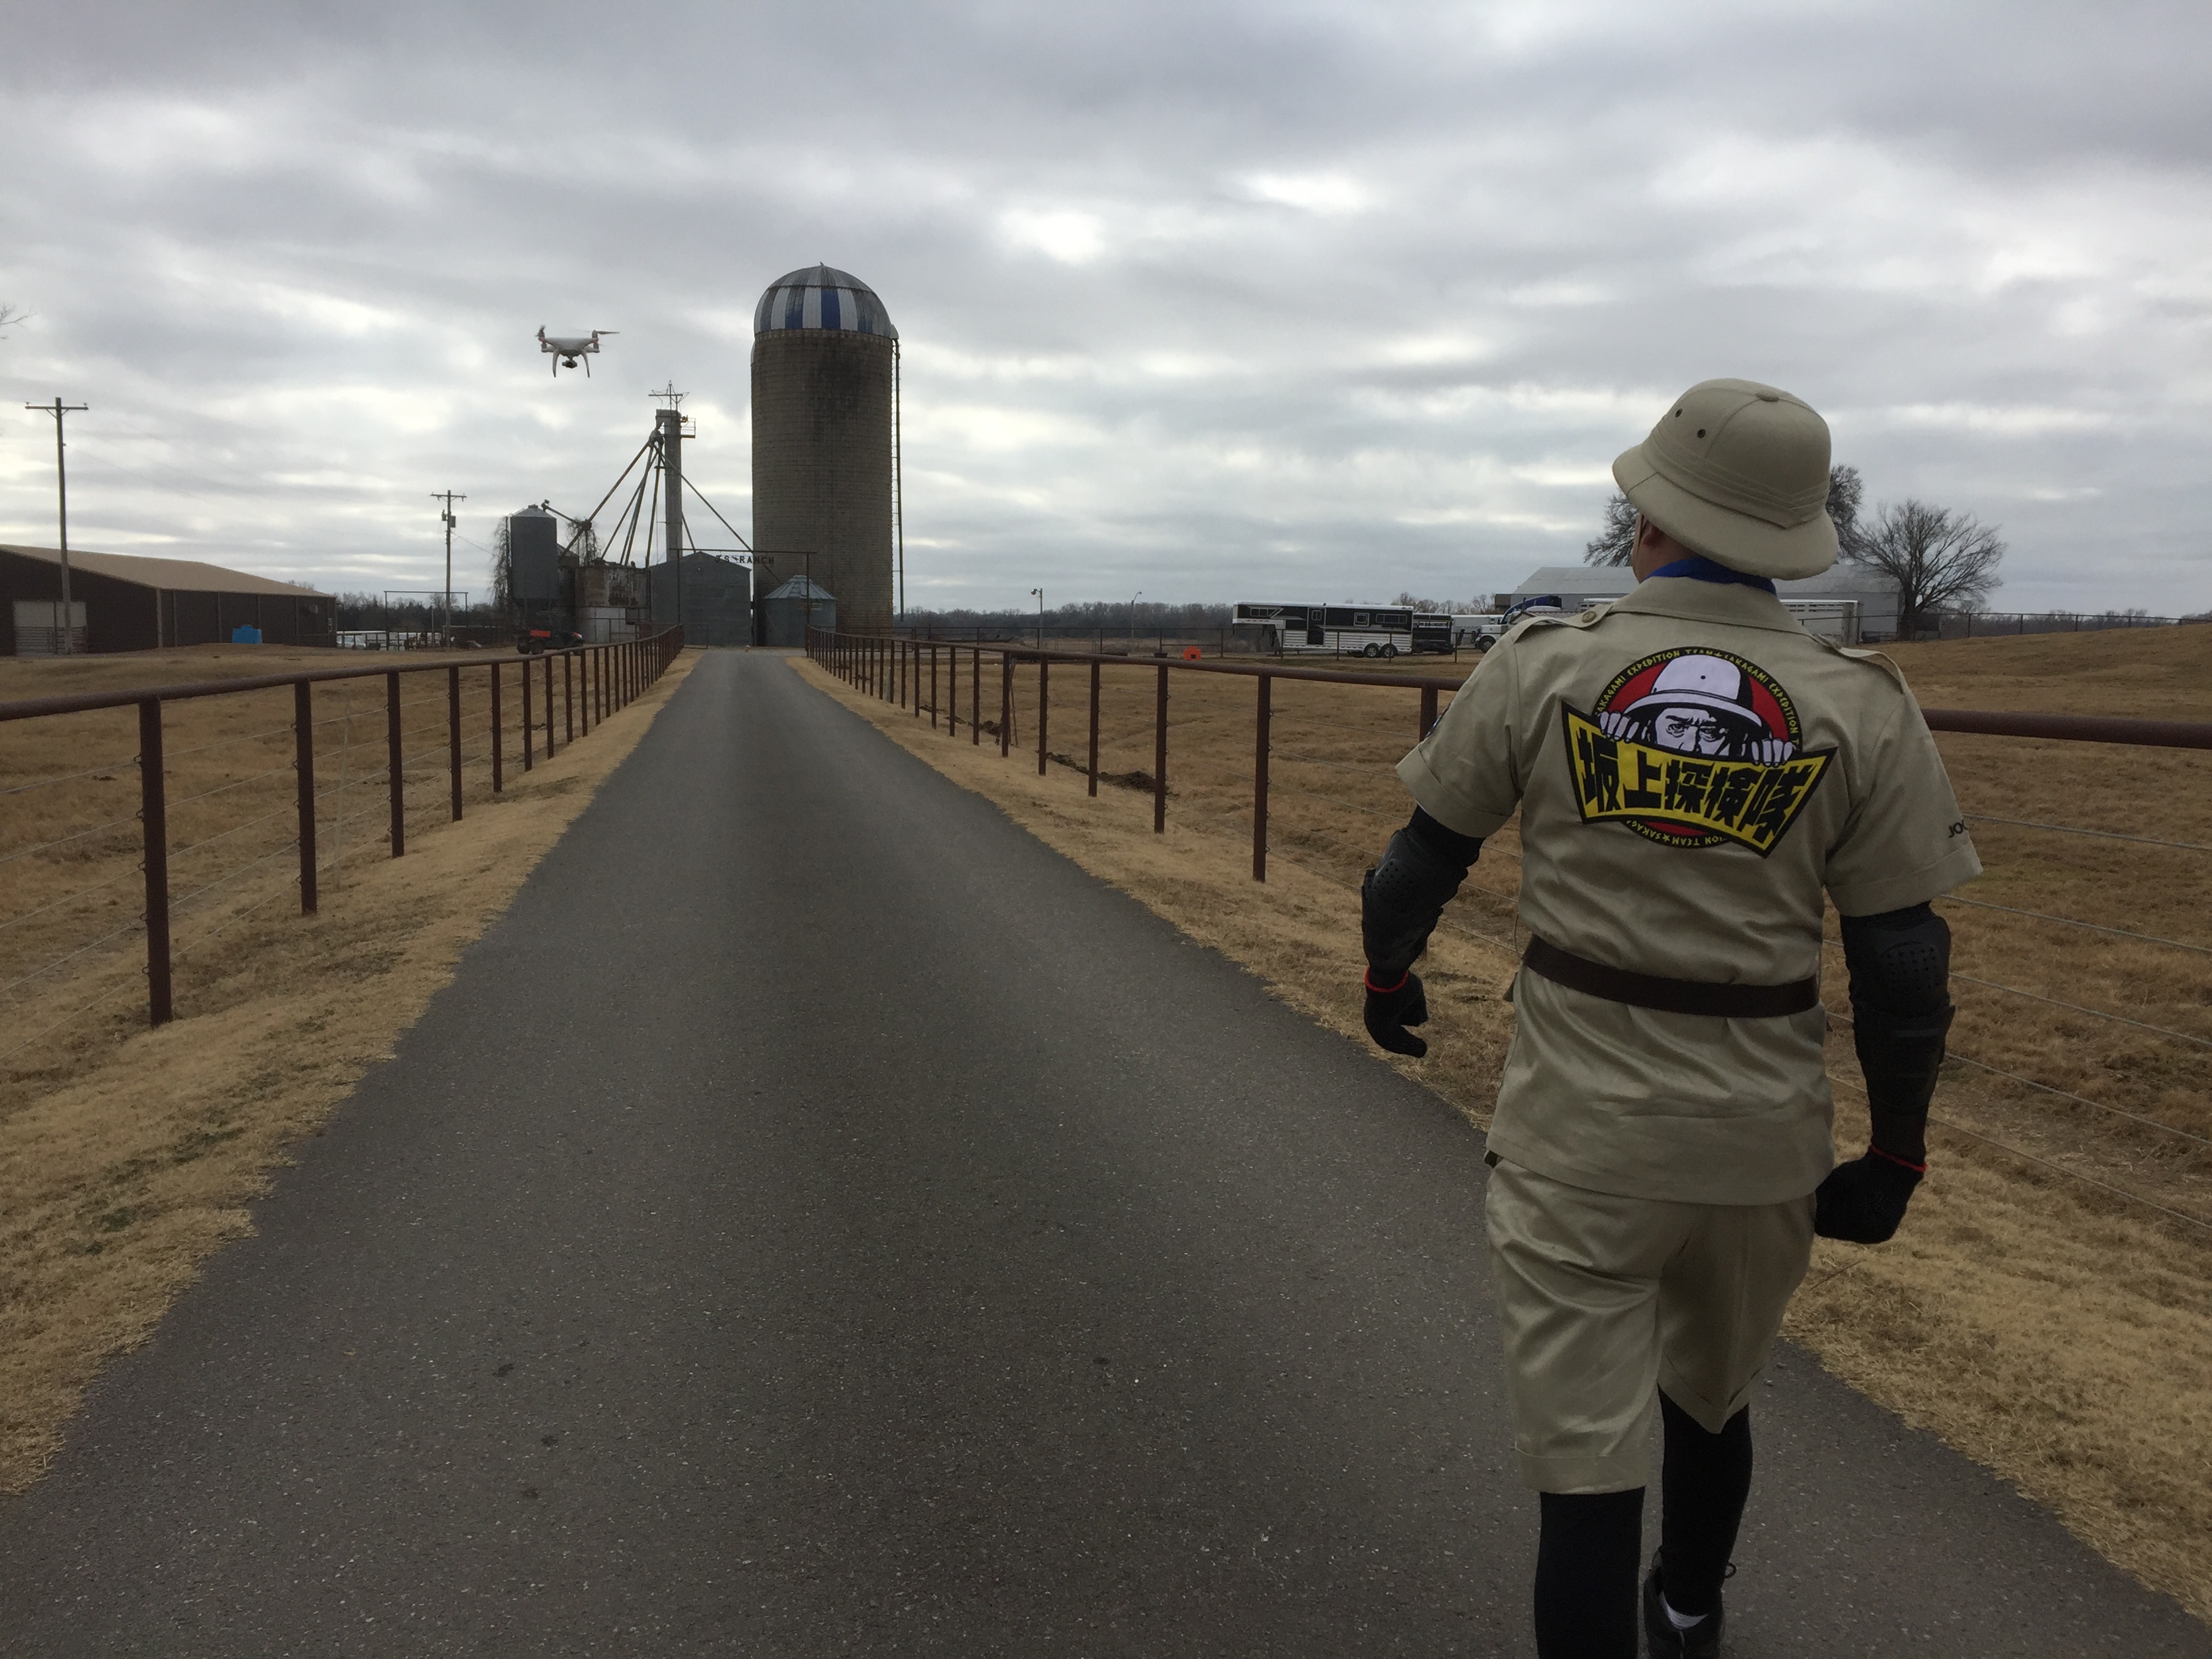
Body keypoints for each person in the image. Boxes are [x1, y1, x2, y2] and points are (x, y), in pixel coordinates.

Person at [1359, 379, 1980, 1658]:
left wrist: (1388, 976)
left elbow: (1416, 864)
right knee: (1713, 1394)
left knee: (1587, 1462)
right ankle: (1690, 1609)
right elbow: (1904, 962)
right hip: (1762, 1140)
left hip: (1579, 1135)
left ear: (1649, 523)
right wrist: (1897, 1153)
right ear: (1792, 539)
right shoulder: (1863, 704)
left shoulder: (1544, 664)